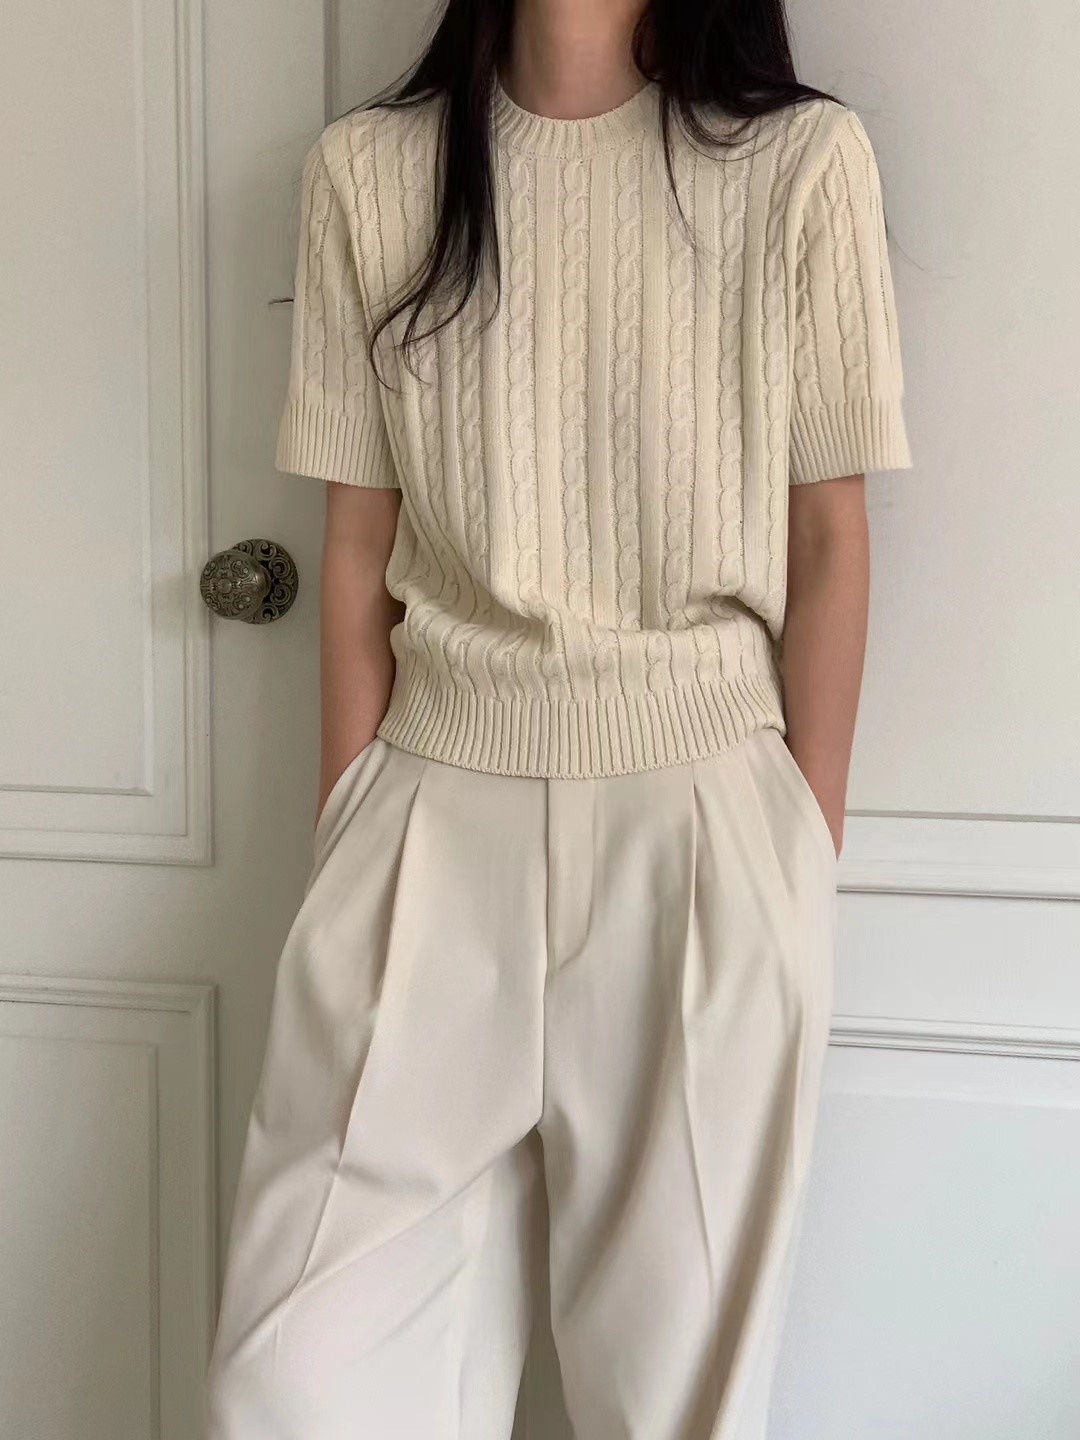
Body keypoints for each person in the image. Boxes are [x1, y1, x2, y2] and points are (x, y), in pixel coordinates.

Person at [205, 0, 913, 1435]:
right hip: (427, 817)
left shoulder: (800, 164)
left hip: (703, 824)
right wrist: (350, 827)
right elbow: (357, 546)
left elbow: (830, 538)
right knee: (289, 1387)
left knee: (673, 1403)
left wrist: (795, 847)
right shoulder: (370, 175)